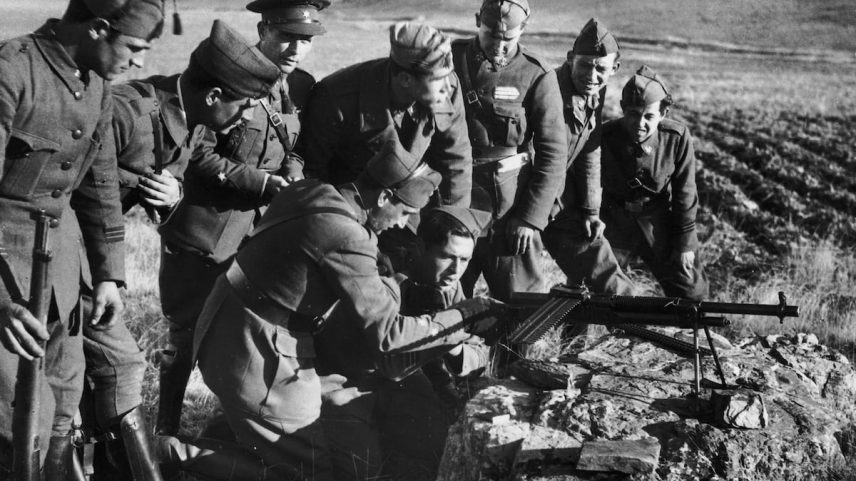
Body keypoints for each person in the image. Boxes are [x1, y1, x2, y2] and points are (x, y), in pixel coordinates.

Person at [190, 141, 502, 480]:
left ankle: (228, 435)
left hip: (229, 319)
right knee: (311, 471)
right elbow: (389, 338)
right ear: (384, 197)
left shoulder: (314, 191)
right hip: (259, 351)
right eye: (405, 212)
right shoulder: (351, 238)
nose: (402, 224)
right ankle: (179, 455)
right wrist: (467, 316)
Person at [80, 18, 279, 480]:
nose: (248, 116)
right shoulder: (128, 113)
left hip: (87, 261)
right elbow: (84, 192)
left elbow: (163, 182)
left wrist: (172, 200)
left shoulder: (191, 119)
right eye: (244, 105)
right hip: (59, 256)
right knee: (117, 367)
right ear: (214, 96)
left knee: (104, 371)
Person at [0, 0, 161, 478]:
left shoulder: (96, 86)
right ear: (98, 29)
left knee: (62, 411)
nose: (140, 64)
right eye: (133, 47)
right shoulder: (12, 70)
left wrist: (109, 275)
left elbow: (100, 187)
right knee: (15, 423)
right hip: (9, 283)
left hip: (61, 280)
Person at [153, 0, 328, 438]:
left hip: (259, 239)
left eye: (304, 40)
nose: (295, 49)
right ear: (263, 28)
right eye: (286, 36)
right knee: (185, 335)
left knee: (245, 338)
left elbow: (297, 146)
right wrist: (264, 184)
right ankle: (166, 430)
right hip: (207, 231)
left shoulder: (303, 86)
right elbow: (197, 153)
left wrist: (292, 171)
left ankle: (230, 428)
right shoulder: (227, 75)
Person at [317, 206, 493, 481]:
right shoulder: (384, 279)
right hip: (347, 384)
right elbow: (391, 359)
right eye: (447, 257)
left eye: (465, 260)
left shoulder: (448, 285)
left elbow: (480, 349)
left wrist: (457, 350)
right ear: (421, 247)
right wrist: (448, 337)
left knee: (435, 455)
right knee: (362, 470)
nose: (456, 270)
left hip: (402, 385)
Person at [296, 21, 473, 270]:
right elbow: (315, 175)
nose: (448, 86)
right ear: (404, 79)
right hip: (350, 215)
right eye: (438, 80)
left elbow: (456, 160)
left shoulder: (445, 88)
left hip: (404, 213)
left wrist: (453, 231)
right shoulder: (337, 98)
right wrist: (352, 238)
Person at [451, 0, 567, 302]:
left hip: (508, 212)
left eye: (508, 39)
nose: (499, 47)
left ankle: (513, 353)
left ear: (523, 30)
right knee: (444, 298)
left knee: (521, 303)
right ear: (478, 21)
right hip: (453, 202)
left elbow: (553, 153)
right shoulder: (450, 59)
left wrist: (530, 217)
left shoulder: (536, 74)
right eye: (492, 36)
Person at [541, 18, 636, 296]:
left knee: (599, 261)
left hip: (559, 201)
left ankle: (640, 321)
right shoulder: (548, 89)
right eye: (584, 65)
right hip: (526, 202)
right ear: (570, 59)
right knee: (521, 288)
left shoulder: (595, 91)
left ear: (614, 69)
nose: (591, 76)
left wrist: (590, 211)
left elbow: (589, 151)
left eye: (601, 69)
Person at [599, 66, 708, 300]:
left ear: (663, 113)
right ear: (622, 109)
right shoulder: (605, 137)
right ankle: (579, 338)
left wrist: (685, 244)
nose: (640, 123)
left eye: (649, 116)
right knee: (591, 286)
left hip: (657, 221)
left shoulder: (675, 139)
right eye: (633, 114)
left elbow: (685, 194)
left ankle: (687, 335)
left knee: (690, 290)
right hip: (614, 223)